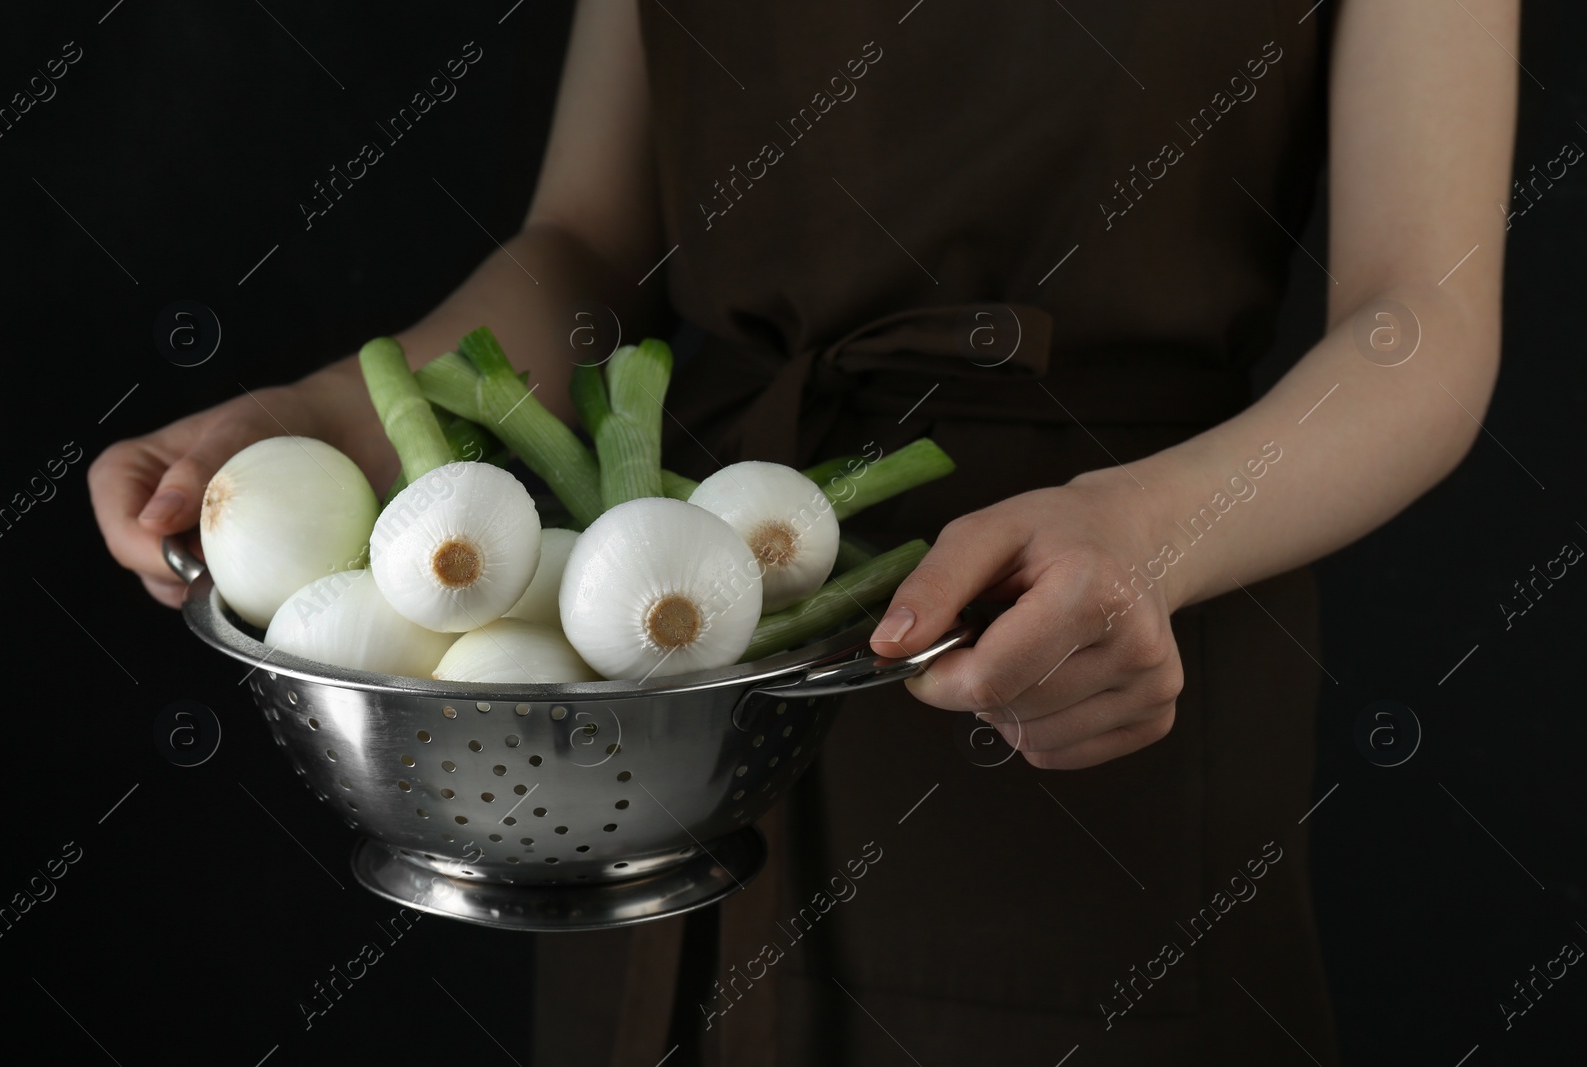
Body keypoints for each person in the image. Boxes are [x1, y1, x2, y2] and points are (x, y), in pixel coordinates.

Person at [90, 0, 1517, 1063]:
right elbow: (589, 249)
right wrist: (341, 422)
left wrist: (1141, 533)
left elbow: (1424, 319)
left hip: (1089, 648)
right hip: (670, 662)